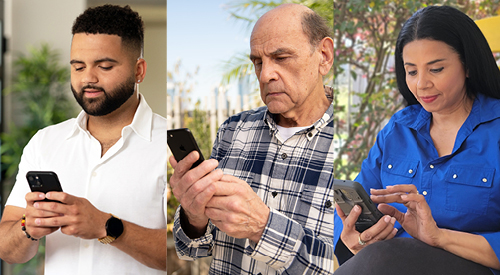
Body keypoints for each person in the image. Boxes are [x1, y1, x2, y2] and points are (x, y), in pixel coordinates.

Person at [0, 5, 167, 274]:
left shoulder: (168, 146)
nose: (88, 78)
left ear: (139, 71)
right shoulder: (45, 142)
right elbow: (7, 250)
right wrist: (27, 229)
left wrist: (106, 226)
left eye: (104, 66)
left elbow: (184, 253)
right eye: (78, 67)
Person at [169, 3, 334, 274]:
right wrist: (193, 215)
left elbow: (352, 262)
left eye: (281, 58)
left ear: (324, 56)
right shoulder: (232, 130)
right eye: (258, 62)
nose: (266, 74)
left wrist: (262, 227)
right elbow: (191, 249)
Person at [334, 5, 500, 275]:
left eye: (435, 69)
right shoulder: (397, 130)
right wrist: (354, 238)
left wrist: (440, 237)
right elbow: (355, 203)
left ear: (468, 66)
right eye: (412, 71)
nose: (421, 84)